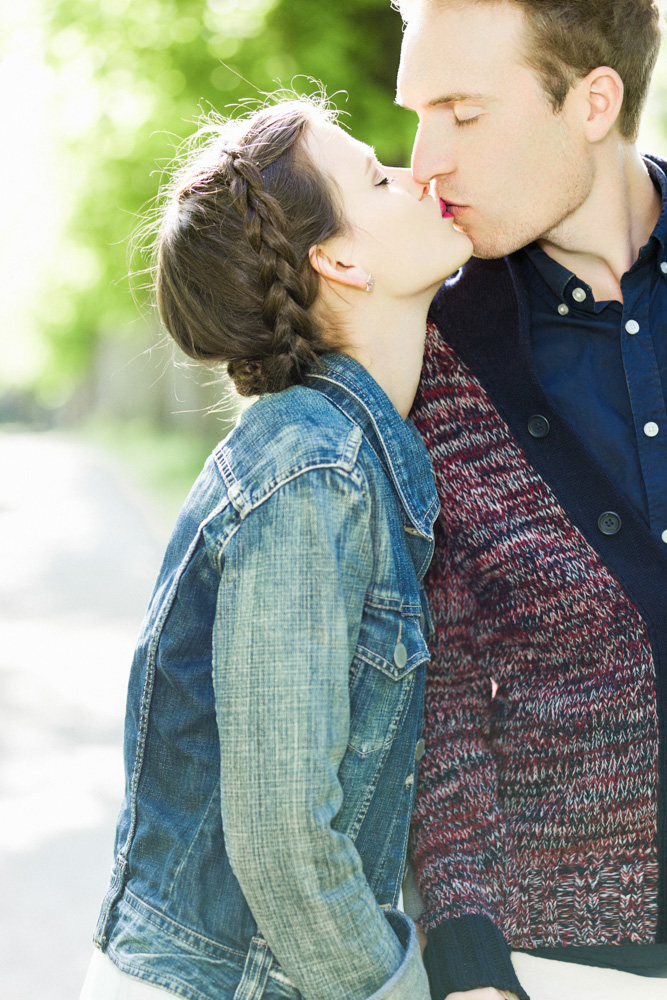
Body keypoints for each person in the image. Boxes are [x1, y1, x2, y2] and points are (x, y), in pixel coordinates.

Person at [80, 97, 473, 1000]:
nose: (420, 177)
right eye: (378, 180)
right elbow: (283, 839)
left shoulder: (346, 455)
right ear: (337, 260)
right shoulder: (312, 471)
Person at [394, 1, 667, 999]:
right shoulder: (427, 346)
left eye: (462, 113)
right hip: (563, 963)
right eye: (416, 114)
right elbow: (441, 680)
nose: (426, 159)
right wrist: (468, 961)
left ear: (592, 101)